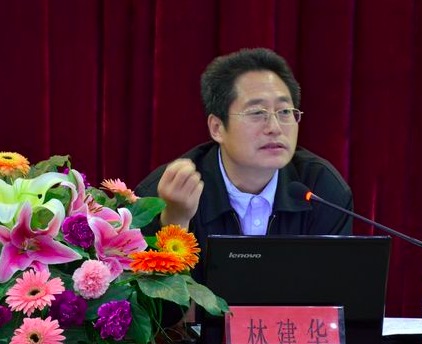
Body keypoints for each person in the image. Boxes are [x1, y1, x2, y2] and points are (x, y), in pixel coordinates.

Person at [136, 47, 353, 285]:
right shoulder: (165, 193)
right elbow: (155, 305)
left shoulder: (322, 189)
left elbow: (334, 293)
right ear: (217, 128)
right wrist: (175, 220)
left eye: (284, 112)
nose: (274, 127)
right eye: (257, 112)